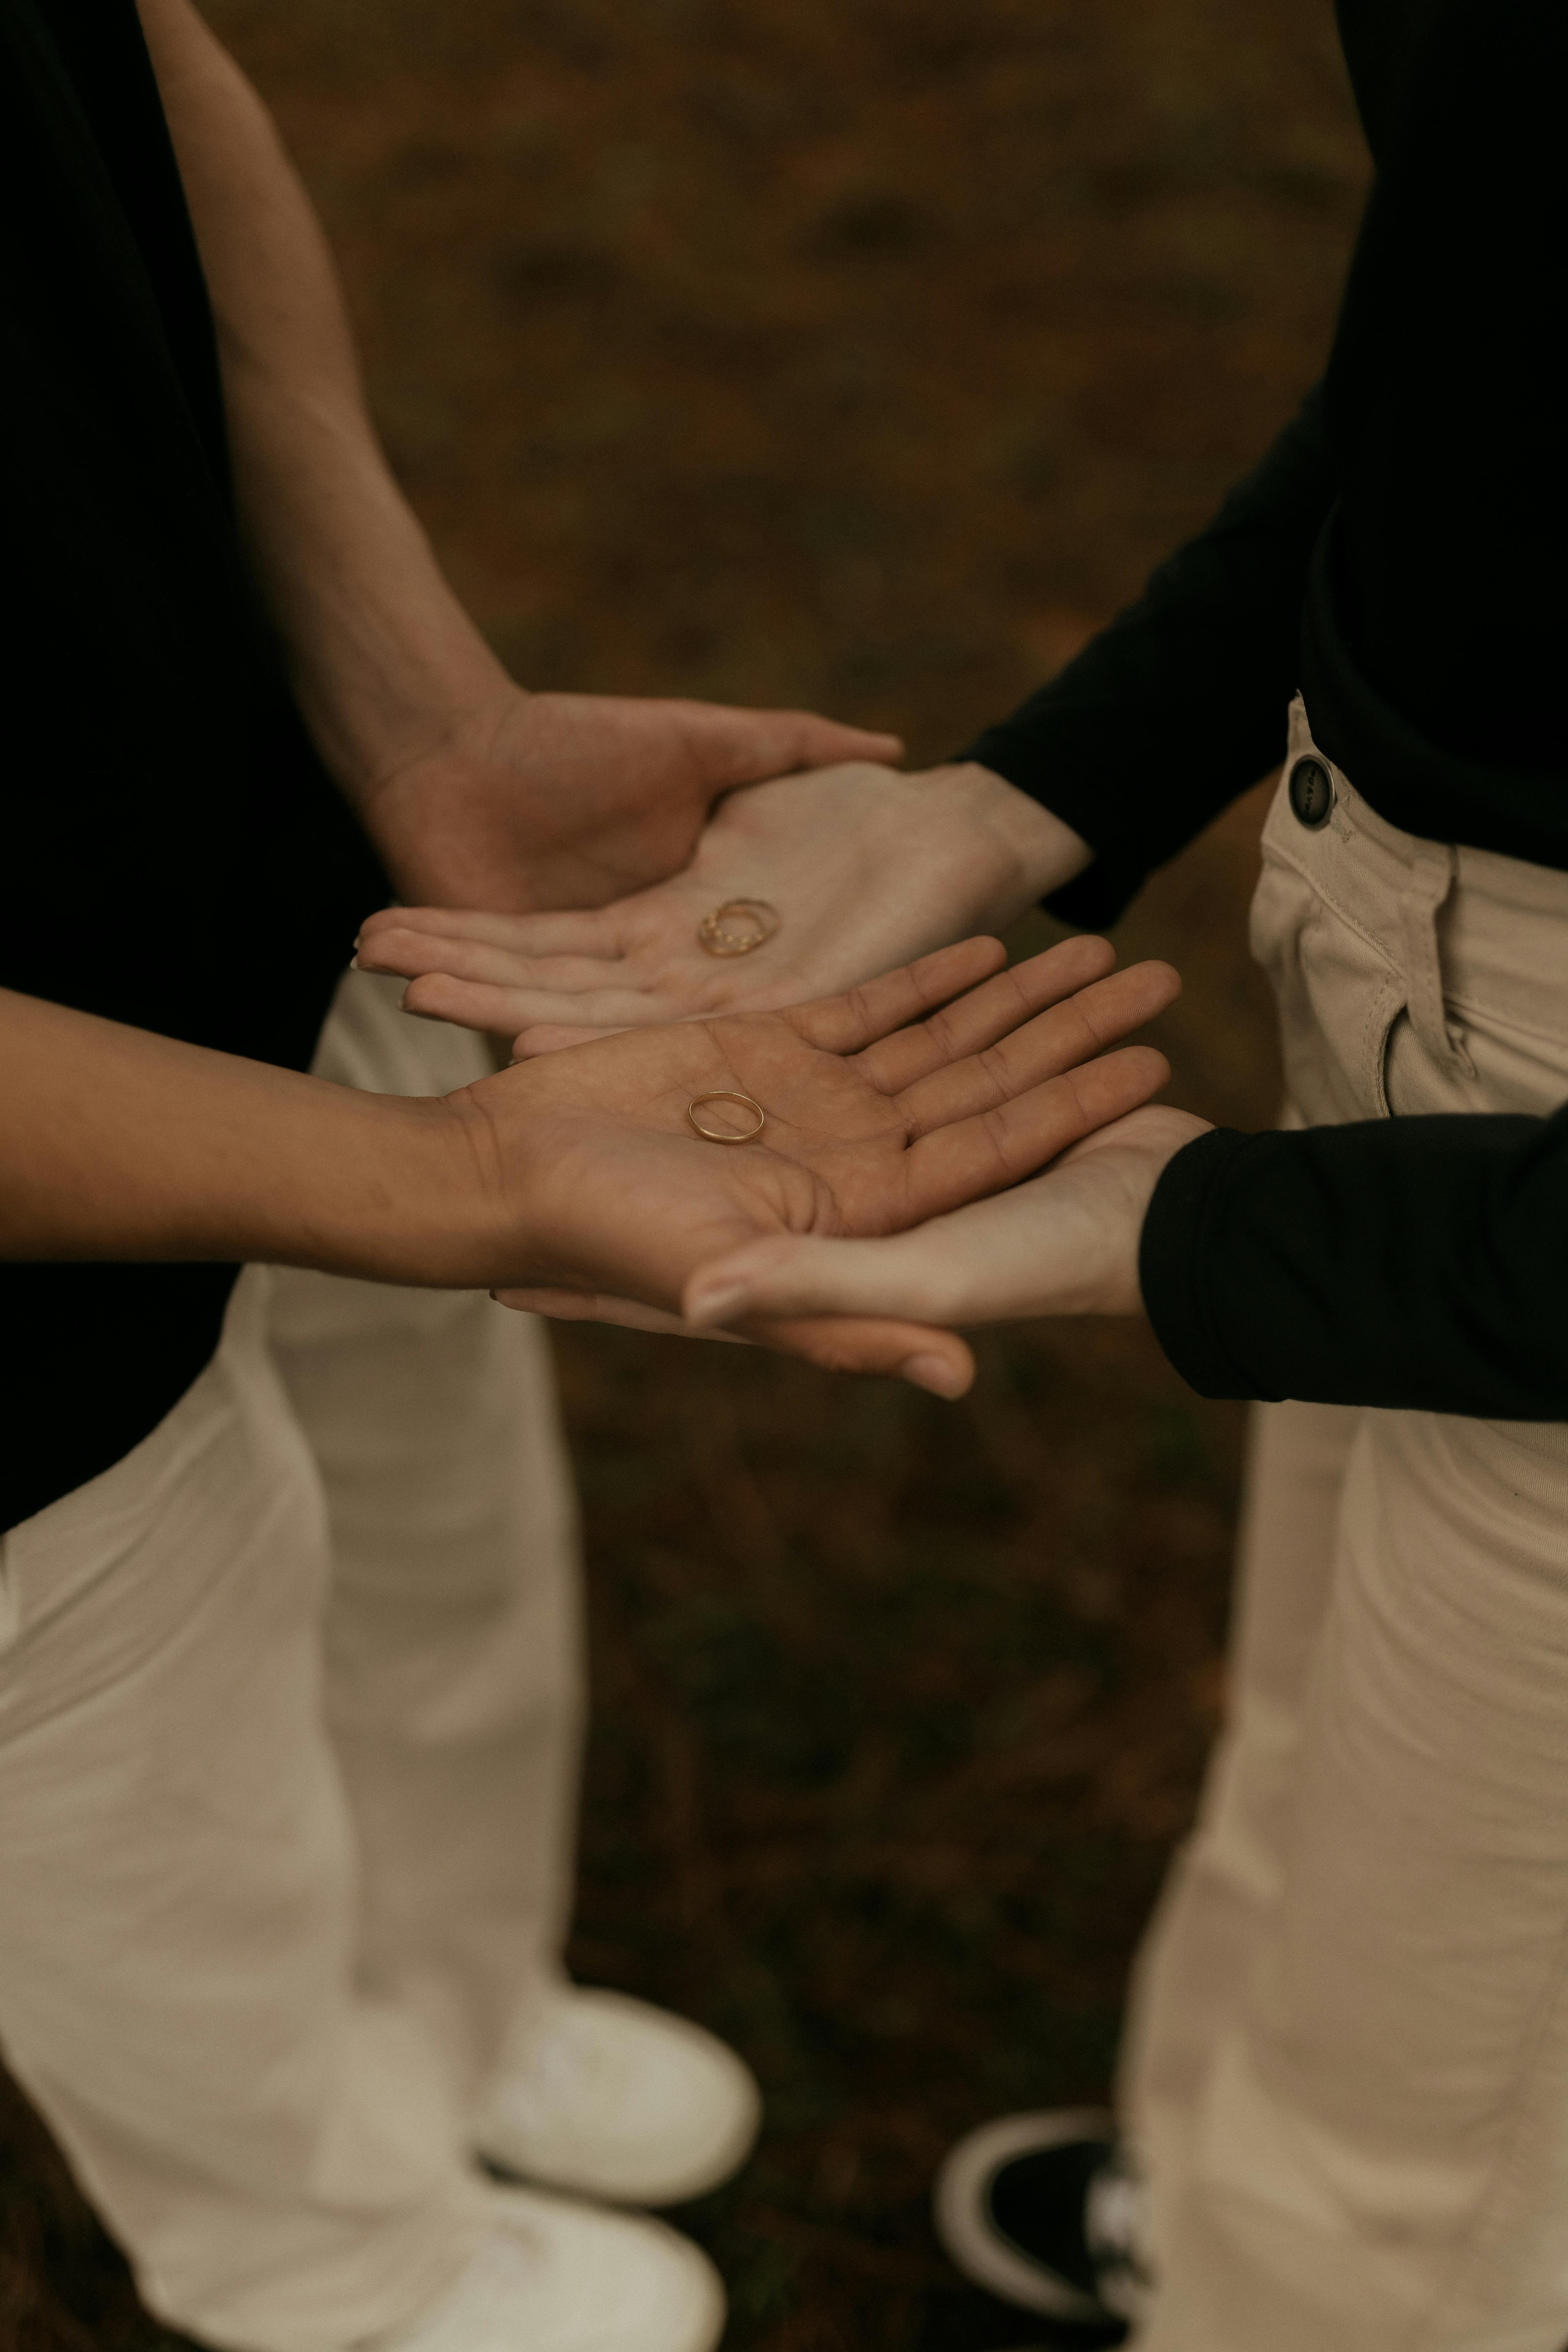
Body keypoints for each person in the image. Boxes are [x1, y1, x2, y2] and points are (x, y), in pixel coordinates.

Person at [374, 1, 1568, 2345]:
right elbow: (1485, 337)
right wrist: (1034, 793)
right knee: (1339, 1744)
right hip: (1422, 919)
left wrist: (1189, 1229)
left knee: (1464, 2021)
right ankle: (1236, 2206)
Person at [0, 2, 1180, 2348]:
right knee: (129, 1758)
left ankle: (454, 2006)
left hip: (241, 840)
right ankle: (326, 2255)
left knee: (410, 1511)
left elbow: (109, 80)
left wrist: (409, 706)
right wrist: (440, 1184)